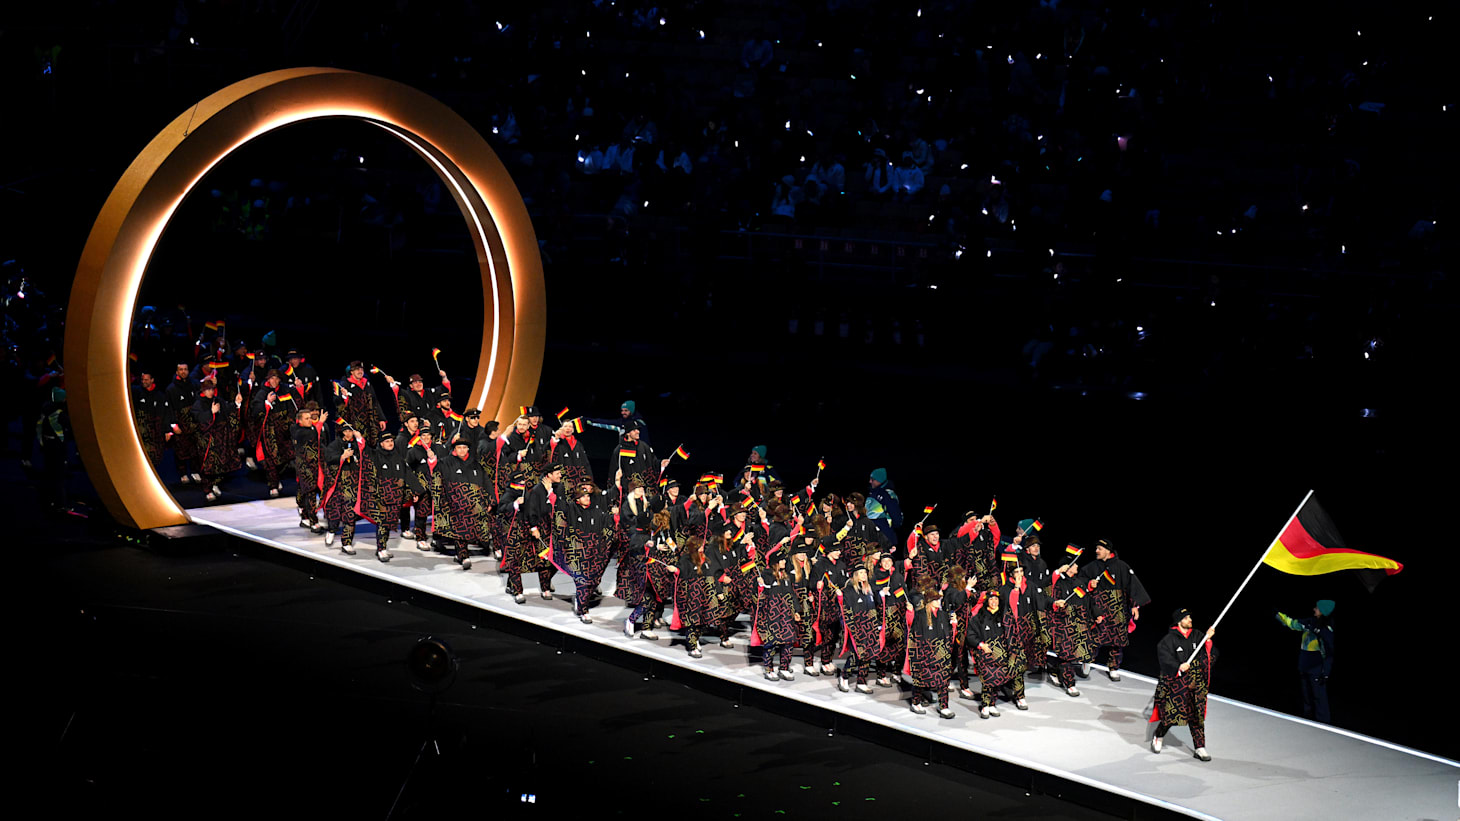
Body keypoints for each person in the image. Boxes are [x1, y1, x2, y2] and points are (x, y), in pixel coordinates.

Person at [1073, 539, 1151, 681]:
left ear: (1108, 550)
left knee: (1117, 641)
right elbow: (1078, 581)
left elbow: (1132, 586)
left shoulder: (1122, 567)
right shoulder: (1091, 567)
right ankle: (1087, 661)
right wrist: (1089, 584)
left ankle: (1114, 667)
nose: (1096, 551)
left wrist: (1134, 605)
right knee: (1093, 636)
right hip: (1098, 607)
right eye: (1096, 548)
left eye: (1100, 549)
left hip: (1118, 608)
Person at [1150, 608, 1218, 761]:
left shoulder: (1198, 635)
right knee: (1171, 715)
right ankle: (1159, 735)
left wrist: (1208, 640)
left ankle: (1200, 746)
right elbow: (1164, 658)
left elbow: (1209, 654)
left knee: (1197, 715)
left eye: (1190, 617)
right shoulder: (1169, 640)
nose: (1190, 620)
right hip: (1177, 684)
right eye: (1186, 618)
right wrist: (1178, 666)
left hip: (1195, 683)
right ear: (1179, 621)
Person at [906, 576, 958, 718]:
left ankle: (944, 706)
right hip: (925, 655)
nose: (938, 602)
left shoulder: (942, 615)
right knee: (920, 680)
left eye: (938, 600)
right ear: (929, 602)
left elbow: (948, 634)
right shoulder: (920, 616)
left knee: (943, 682)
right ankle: (916, 702)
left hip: (941, 655)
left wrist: (953, 624)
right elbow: (916, 636)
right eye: (935, 600)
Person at [1276, 600, 1335, 723]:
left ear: (1323, 611)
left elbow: (1329, 651)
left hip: (1316, 667)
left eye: (1317, 608)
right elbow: (1293, 623)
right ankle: (1307, 721)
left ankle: (1324, 724)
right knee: (1306, 696)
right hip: (1304, 665)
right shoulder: (1309, 621)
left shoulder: (1327, 628)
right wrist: (1278, 615)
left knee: (1318, 697)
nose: (1314, 609)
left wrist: (1326, 672)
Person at [438, 439, 491, 569]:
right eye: (459, 447)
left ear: (468, 449)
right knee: (460, 529)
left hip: (475, 504)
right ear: (454, 450)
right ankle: (464, 555)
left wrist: (491, 500)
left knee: (471, 530)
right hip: (455, 503)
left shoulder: (475, 464)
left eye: (464, 447)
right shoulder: (446, 463)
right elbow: (440, 482)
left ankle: (460, 554)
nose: (462, 450)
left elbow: (486, 482)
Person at [248, 369, 299, 498]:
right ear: (268, 379)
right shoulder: (262, 393)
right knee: (270, 459)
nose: (274, 381)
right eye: (272, 378)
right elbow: (255, 411)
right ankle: (273, 485)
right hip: (269, 433)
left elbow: (294, 406)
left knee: (287, 457)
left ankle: (277, 477)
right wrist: (267, 403)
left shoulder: (285, 390)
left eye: (276, 378)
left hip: (285, 431)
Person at [970, 591, 1019, 719]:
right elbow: (971, 635)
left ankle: (992, 704)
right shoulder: (979, 618)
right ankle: (985, 705)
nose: (994, 602)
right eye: (991, 599)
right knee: (988, 681)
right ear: (987, 601)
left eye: (996, 599)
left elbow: (1011, 634)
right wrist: (981, 645)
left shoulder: (1004, 618)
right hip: (985, 656)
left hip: (1001, 656)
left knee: (998, 681)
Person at [192, 379, 242, 502]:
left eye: (212, 389)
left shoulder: (218, 400)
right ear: (203, 390)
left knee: (220, 463)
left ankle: (215, 484)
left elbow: (227, 409)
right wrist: (211, 412)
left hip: (221, 437)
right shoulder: (198, 404)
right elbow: (197, 419)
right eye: (208, 389)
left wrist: (236, 403)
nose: (210, 392)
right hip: (207, 439)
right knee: (208, 464)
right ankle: (207, 489)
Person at [319, 423, 367, 554]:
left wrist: (360, 439)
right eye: (346, 431)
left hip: (352, 485)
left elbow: (365, 454)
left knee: (350, 514)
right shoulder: (335, 445)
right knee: (334, 511)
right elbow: (328, 458)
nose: (349, 433)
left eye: (351, 431)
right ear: (342, 432)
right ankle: (331, 531)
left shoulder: (356, 444)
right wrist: (341, 457)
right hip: (337, 484)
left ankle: (347, 542)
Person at [836, 561, 882, 693]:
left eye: (865, 573)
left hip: (871, 627)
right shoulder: (849, 591)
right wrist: (851, 628)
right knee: (856, 655)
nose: (863, 575)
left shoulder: (869, 590)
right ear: (855, 575)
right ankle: (844, 676)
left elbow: (876, 607)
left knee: (868, 655)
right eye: (861, 573)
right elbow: (846, 612)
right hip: (857, 628)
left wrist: (877, 624)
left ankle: (861, 681)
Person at [670, 535, 717, 658]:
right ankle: (692, 646)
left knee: (702, 621)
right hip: (691, 594)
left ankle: (695, 639)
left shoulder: (705, 559)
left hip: (704, 593)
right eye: (700, 546)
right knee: (692, 621)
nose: (703, 548)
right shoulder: (686, 559)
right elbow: (681, 571)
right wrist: (675, 570)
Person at [754, 555, 800, 680]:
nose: (784, 562)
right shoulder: (766, 575)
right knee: (771, 642)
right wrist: (761, 586)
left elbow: (792, 594)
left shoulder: (786, 576)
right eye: (782, 560)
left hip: (786, 614)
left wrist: (796, 610)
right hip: (772, 615)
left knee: (789, 640)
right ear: (775, 563)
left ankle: (784, 667)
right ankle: (769, 669)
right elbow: (761, 595)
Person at [290, 406, 327, 534]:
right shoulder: (299, 431)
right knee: (310, 493)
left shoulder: (311, 428)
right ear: (300, 421)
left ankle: (305, 517)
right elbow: (312, 435)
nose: (310, 420)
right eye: (306, 418)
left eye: (310, 418)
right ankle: (313, 522)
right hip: (306, 468)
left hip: (317, 466)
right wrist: (320, 422)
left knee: (306, 492)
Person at [334, 361, 387, 446]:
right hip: (354, 422)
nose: (360, 371)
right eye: (357, 369)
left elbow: (375, 401)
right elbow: (338, 404)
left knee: (371, 445)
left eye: (361, 369)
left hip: (369, 422)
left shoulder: (367, 383)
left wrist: (381, 419)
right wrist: (344, 397)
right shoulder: (345, 384)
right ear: (351, 372)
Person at [165, 362, 201, 483]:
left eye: (185, 369)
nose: (183, 371)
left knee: (195, 449)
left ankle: (195, 472)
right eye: (181, 369)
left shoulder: (194, 384)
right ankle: (183, 474)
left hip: (194, 423)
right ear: (177, 372)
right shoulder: (171, 389)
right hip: (180, 424)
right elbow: (169, 409)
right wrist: (173, 425)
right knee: (180, 450)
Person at [132, 371, 171, 468]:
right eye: (142, 379)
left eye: (146, 380)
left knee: (156, 458)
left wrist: (167, 430)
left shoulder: (160, 396)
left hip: (156, 434)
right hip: (142, 432)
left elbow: (165, 414)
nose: (143, 382)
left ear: (152, 380)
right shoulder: (136, 392)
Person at [866, 468, 903, 543]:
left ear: (879, 480)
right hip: (871, 533)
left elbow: (895, 514)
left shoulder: (888, 494)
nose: (870, 481)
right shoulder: (872, 493)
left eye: (872, 479)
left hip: (884, 535)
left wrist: (890, 529)